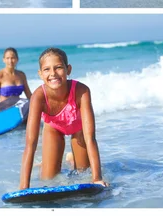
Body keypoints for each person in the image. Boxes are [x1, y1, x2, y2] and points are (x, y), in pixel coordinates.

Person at [19, 48, 107, 190]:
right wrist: (24, 187)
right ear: (40, 74)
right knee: (48, 179)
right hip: (54, 129)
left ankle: (72, 159)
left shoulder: (82, 91)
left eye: (58, 67)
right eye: (47, 69)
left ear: (68, 69)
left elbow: (90, 137)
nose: (53, 73)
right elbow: (31, 143)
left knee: (83, 174)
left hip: (79, 130)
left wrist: (97, 178)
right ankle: (53, 161)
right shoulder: (38, 97)